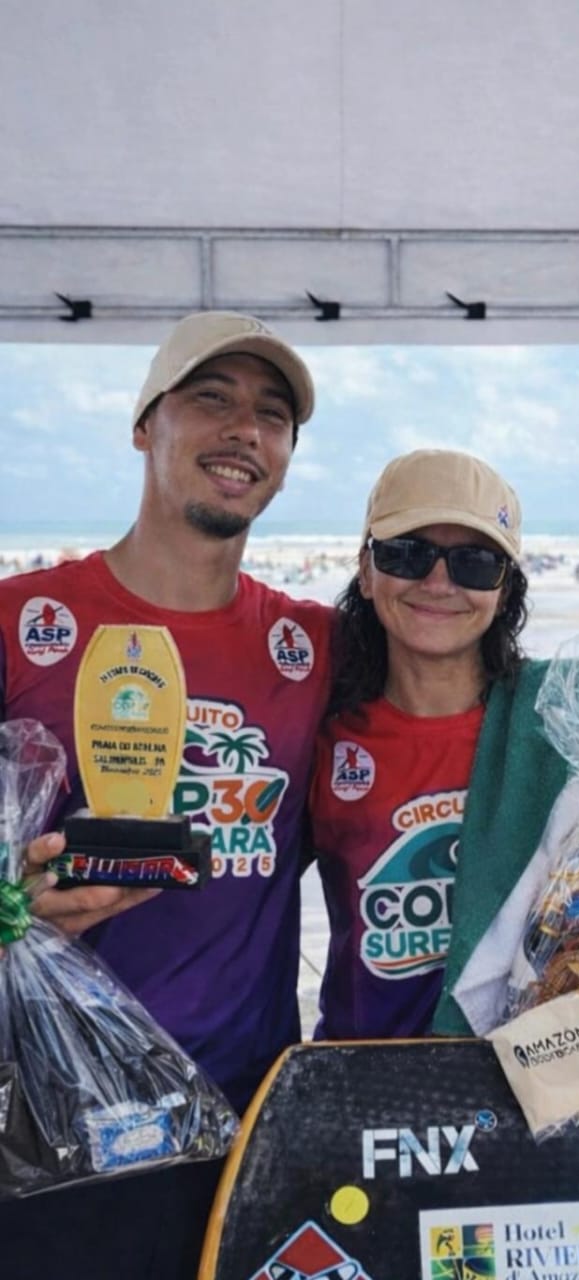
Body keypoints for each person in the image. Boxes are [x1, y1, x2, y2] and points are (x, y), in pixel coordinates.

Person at [308, 448, 579, 1278]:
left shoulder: (571, 721)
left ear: (506, 585)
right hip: (380, 1118)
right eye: (408, 553)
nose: (439, 581)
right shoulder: (324, 732)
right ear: (367, 570)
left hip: (574, 1104)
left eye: (475, 559)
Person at [0, 312, 332, 1279]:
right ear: (145, 425)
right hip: (52, 1110)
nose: (244, 432)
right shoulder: (24, 623)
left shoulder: (314, 646)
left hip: (246, 1111)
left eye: (272, 416)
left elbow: (482, 697)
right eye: (212, 400)